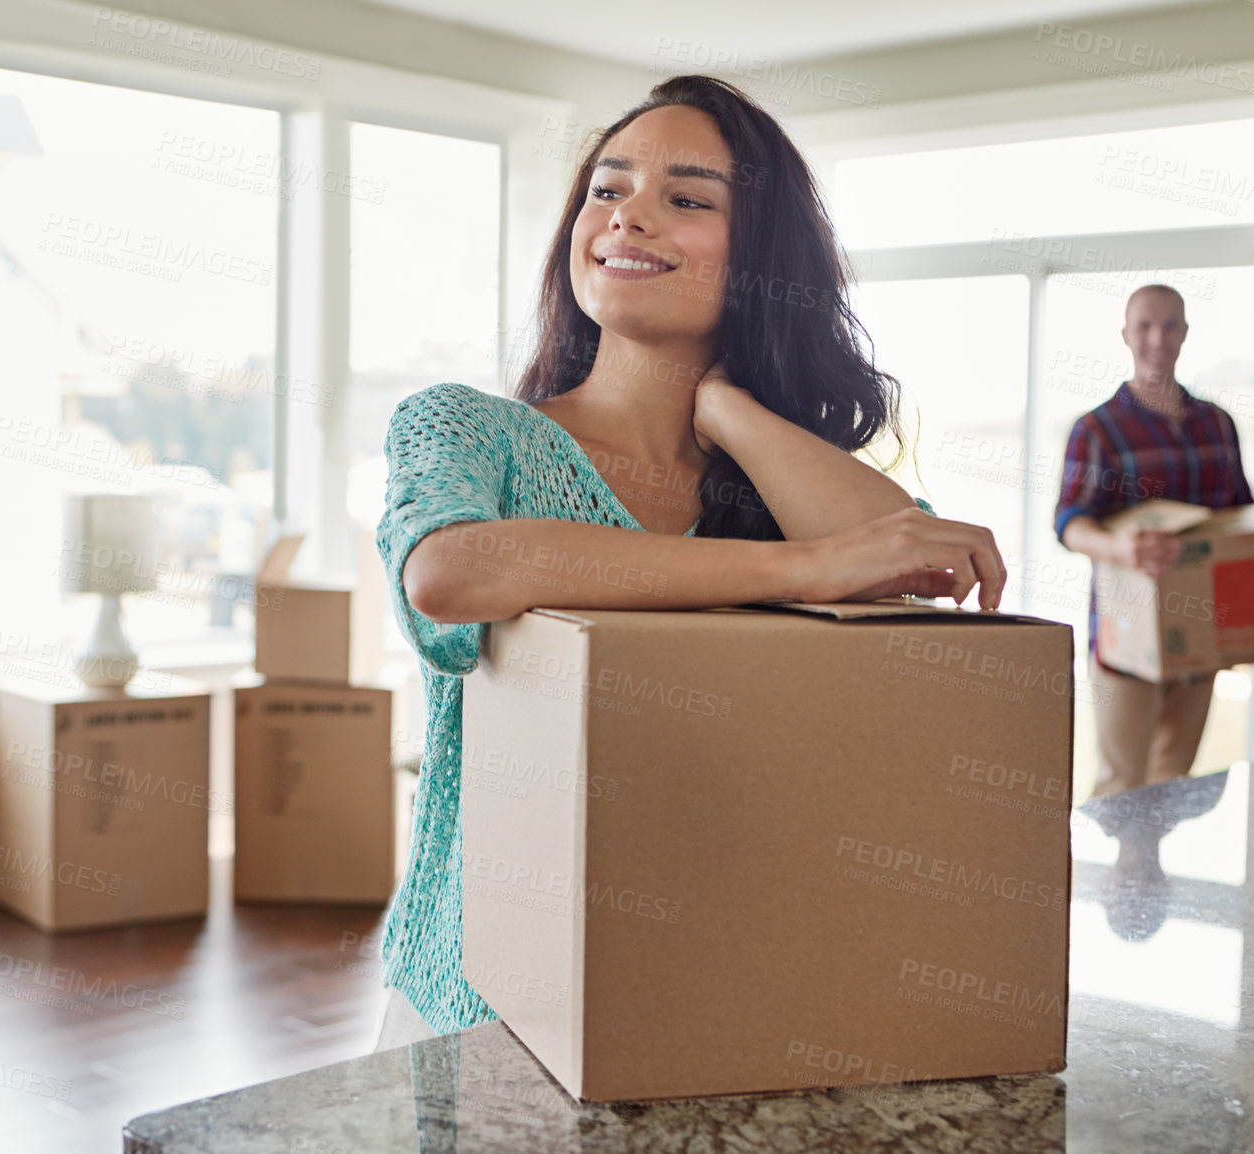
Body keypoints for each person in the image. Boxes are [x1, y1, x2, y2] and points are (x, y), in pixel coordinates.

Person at [370, 74, 1007, 1049]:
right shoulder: (467, 427)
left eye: (687, 199)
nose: (628, 216)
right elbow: (452, 570)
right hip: (484, 986)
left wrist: (730, 413)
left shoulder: (774, 477)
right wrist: (800, 570)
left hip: (718, 974)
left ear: (760, 256)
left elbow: (915, 570)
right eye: (606, 188)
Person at [1054, 284, 1254, 800]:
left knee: (1173, 782)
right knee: (1120, 787)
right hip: (1126, 636)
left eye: (1169, 325)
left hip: (1201, 633)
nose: (1157, 337)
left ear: (1185, 333)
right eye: (1144, 325)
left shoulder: (1217, 424)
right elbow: (1069, 523)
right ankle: (1114, 883)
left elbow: (1239, 519)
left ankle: (1153, 881)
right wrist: (1122, 549)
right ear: (1126, 335)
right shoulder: (1097, 429)